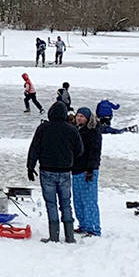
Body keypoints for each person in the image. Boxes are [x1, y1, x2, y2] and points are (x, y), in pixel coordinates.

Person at [27, 102, 84, 244]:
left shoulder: (43, 128)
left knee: (51, 204)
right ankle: (70, 236)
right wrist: (69, 158)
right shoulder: (71, 130)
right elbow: (80, 150)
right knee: (66, 203)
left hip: (47, 171)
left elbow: (34, 148)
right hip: (65, 172)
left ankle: (54, 236)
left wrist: (30, 167)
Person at [71, 107, 102, 237]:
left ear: (88, 118)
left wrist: (90, 169)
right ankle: (83, 224)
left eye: (82, 116)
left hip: (88, 170)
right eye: (78, 115)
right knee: (78, 200)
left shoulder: (93, 132)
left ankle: (93, 228)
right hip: (76, 170)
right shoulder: (77, 130)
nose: (79, 118)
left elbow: (95, 152)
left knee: (89, 200)